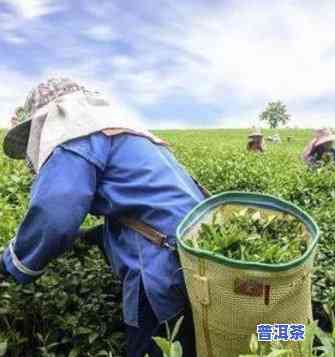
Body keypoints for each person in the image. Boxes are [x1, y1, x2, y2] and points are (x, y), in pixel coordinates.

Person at [0, 78, 203, 357]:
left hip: (158, 263)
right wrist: (94, 236)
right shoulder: (125, 132)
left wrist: (11, 264)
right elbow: (145, 204)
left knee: (153, 346)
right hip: (195, 254)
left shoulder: (75, 133)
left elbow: (53, 216)